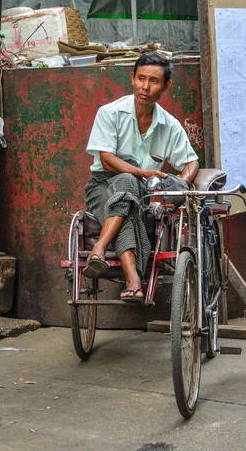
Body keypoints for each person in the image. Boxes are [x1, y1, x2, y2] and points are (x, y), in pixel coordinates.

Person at [83, 53, 199, 303]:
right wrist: (141, 172)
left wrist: (180, 182)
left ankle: (100, 251)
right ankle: (132, 277)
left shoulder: (169, 125)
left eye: (154, 81)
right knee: (126, 183)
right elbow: (106, 159)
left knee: (128, 191)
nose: (145, 87)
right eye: (141, 79)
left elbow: (191, 161)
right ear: (132, 78)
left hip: (140, 194)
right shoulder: (110, 113)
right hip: (101, 186)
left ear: (166, 86)